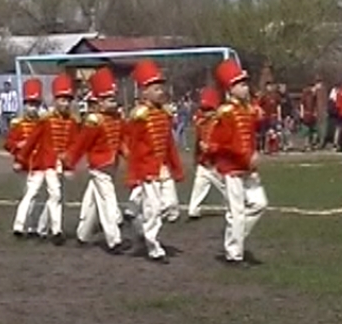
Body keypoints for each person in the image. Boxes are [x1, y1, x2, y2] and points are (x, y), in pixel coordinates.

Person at [206, 59, 268, 266]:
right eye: (241, 84)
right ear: (230, 89)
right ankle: (234, 253)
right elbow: (216, 144)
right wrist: (244, 155)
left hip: (248, 167)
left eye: (245, 83)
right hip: (231, 168)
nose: (246, 88)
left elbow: (255, 126)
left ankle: (235, 238)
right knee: (237, 212)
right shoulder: (226, 113)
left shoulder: (247, 109)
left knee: (259, 204)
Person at [124, 60, 184, 264]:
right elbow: (134, 149)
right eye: (156, 88)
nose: (161, 92)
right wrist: (134, 176)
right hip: (147, 169)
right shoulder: (139, 116)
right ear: (144, 92)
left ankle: (138, 223)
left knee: (172, 206)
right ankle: (153, 246)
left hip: (163, 168)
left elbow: (169, 145)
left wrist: (176, 169)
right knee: (154, 208)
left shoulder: (164, 114)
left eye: (161, 88)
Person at [64, 68, 126, 253]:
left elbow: (120, 140)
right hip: (99, 166)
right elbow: (81, 145)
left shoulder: (116, 119)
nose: (113, 103)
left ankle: (83, 235)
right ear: (99, 102)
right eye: (108, 100)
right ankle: (114, 240)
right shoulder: (94, 121)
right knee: (108, 200)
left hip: (111, 165)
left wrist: (127, 153)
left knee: (92, 202)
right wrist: (70, 164)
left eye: (114, 99)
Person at [16, 74, 78, 245]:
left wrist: (69, 165)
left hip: (60, 164)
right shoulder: (46, 121)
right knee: (50, 194)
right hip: (46, 163)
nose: (65, 104)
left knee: (55, 197)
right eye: (62, 100)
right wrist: (20, 158)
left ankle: (45, 228)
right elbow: (32, 140)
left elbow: (74, 144)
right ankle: (53, 230)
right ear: (55, 100)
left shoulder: (72, 122)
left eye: (68, 100)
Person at [6, 79, 45, 238]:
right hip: (23, 164)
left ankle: (31, 226)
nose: (32, 108)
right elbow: (8, 144)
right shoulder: (18, 123)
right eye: (29, 104)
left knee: (36, 196)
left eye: (35, 105)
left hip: (38, 164)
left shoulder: (43, 124)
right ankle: (22, 224)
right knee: (28, 195)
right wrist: (18, 145)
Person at [187, 87, 224, 220]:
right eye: (203, 109)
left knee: (225, 188)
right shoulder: (200, 123)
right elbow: (197, 143)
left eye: (208, 109)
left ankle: (237, 205)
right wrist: (195, 158)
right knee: (199, 186)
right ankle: (193, 209)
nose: (205, 113)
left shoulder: (220, 123)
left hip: (216, 164)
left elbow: (223, 143)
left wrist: (210, 148)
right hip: (204, 163)